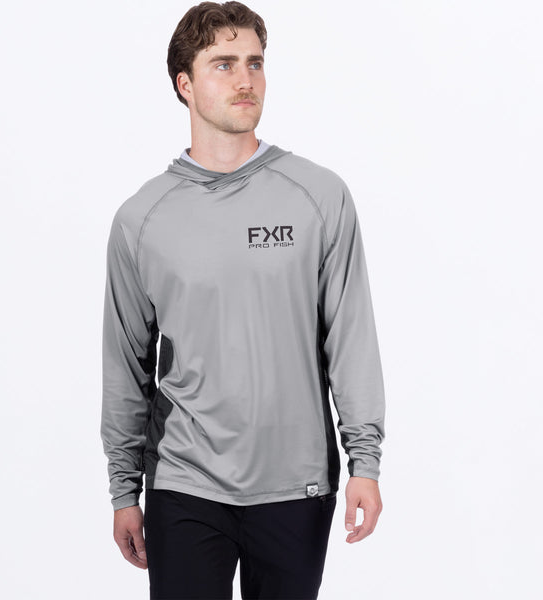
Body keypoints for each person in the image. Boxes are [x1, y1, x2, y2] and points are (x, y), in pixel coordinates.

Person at [100, 2, 386, 598]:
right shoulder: (141, 219)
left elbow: (351, 337)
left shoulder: (319, 196)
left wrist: (365, 462)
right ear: (185, 84)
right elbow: (126, 364)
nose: (245, 79)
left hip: (295, 483)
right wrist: (124, 491)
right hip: (184, 482)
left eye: (255, 63)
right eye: (224, 64)